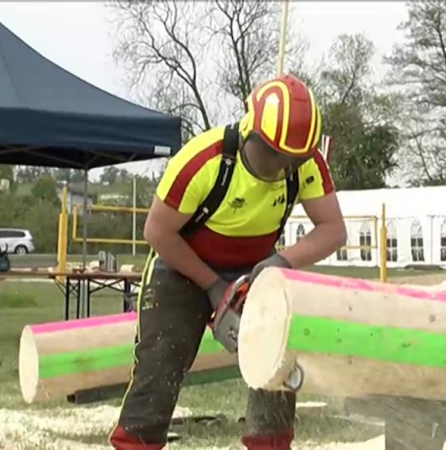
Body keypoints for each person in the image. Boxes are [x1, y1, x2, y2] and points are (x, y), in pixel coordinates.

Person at [108, 74, 347, 450]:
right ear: (251, 131)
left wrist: (281, 262)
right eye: (272, 154)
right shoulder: (204, 159)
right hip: (181, 267)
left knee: (277, 365)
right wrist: (213, 286)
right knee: (162, 362)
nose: (281, 167)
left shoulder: (304, 162)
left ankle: (269, 445)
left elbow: (333, 230)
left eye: (291, 159)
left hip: (255, 268)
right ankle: (136, 444)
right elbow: (157, 232)